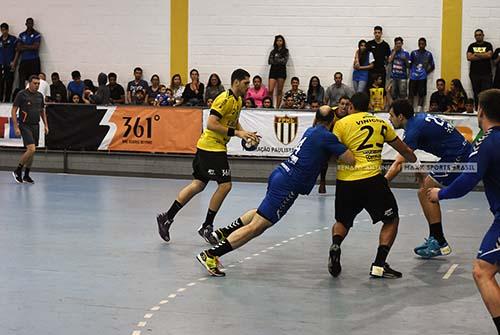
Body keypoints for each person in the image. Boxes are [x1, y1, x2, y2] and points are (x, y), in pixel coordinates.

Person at [196, 105, 355, 276]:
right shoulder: (327, 137)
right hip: (288, 184)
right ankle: (211, 254)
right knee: (257, 227)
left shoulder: (311, 130)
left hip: (280, 174)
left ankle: (224, 232)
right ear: (332, 121)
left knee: (261, 212)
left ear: (316, 119)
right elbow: (350, 159)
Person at [426, 89, 500, 335]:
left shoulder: (487, 141)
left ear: (480, 110)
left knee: (483, 270)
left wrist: (440, 194)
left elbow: (467, 181)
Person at [156, 69, 259, 244]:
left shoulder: (239, 100)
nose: (248, 86)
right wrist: (237, 134)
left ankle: (167, 217)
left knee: (198, 184)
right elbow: (211, 124)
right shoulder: (223, 99)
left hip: (210, 147)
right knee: (225, 185)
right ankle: (207, 226)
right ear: (236, 82)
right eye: (246, 83)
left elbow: (233, 121)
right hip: (212, 147)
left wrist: (244, 133)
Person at [329, 92, 417, 279]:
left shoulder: (341, 124)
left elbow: (332, 149)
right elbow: (403, 149)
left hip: (346, 181)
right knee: (391, 219)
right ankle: (378, 265)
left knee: (342, 221)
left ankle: (336, 244)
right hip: (372, 180)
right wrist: (413, 158)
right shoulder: (381, 124)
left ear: (351, 106)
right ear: (369, 107)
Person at [385, 99, 472, 258]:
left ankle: (439, 241)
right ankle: (437, 239)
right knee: (424, 192)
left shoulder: (413, 130)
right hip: (455, 154)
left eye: (391, 115)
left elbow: (399, 162)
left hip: (458, 156)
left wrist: (383, 183)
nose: (389, 119)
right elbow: (409, 154)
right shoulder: (418, 120)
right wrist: (419, 168)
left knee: (426, 191)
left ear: (401, 116)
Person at [11, 75, 48, 184]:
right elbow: (13, 111)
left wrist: (46, 125)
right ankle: (18, 170)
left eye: (38, 84)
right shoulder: (22, 94)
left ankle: (26, 175)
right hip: (25, 125)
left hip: (35, 125)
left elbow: (42, 111)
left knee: (32, 151)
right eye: (35, 83)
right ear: (30, 83)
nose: (37, 85)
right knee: (31, 149)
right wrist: (16, 127)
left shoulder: (40, 96)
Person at [318, 95, 350, 193]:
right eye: (342, 104)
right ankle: (322, 182)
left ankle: (346, 183)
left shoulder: (350, 115)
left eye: (347, 104)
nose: (344, 106)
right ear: (338, 104)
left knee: (347, 160)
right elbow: (317, 121)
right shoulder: (330, 112)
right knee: (323, 160)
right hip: (330, 139)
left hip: (343, 140)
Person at [467, 29, 493, 108]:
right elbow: (469, 57)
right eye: (476, 35)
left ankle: (486, 110)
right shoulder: (471, 46)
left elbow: (489, 55)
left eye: (479, 35)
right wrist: (483, 55)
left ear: (483, 35)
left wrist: (476, 54)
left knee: (486, 93)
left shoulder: (488, 45)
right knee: (476, 93)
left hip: (486, 74)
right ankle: (478, 110)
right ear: (475, 36)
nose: (478, 36)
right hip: (474, 74)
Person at [409, 37, 435, 112]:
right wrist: (413, 71)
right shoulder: (413, 53)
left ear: (425, 44)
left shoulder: (429, 54)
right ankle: (410, 110)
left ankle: (419, 110)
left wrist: (425, 72)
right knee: (411, 94)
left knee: (422, 94)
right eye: (420, 44)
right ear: (418, 44)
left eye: (423, 44)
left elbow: (432, 66)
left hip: (422, 78)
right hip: (413, 77)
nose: (421, 45)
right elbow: (409, 64)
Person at [16, 18, 41, 89]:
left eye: (31, 23)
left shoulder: (37, 34)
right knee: (21, 81)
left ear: (33, 24)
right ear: (26, 24)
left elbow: (36, 47)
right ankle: (22, 97)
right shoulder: (21, 35)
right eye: (28, 23)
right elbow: (18, 48)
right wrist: (30, 46)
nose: (30, 25)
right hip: (24, 60)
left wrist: (24, 46)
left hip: (34, 60)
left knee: (34, 80)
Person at [268, 35, 289, 108]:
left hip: (281, 71)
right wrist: (279, 59)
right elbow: (270, 61)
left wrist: (276, 59)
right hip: (273, 70)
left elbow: (284, 61)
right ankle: (270, 106)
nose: (279, 42)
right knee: (270, 90)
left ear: (283, 42)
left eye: (280, 40)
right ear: (275, 42)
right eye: (277, 40)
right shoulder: (273, 52)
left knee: (279, 90)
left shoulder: (286, 51)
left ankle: (277, 107)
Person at [0, 23, 18, 102]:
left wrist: (14, 62)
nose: (3, 32)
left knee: (9, 83)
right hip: (1, 64)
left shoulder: (13, 39)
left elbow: (17, 51)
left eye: (5, 30)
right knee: (1, 83)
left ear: (7, 30)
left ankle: (7, 100)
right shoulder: (0, 40)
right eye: (2, 30)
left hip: (10, 65)